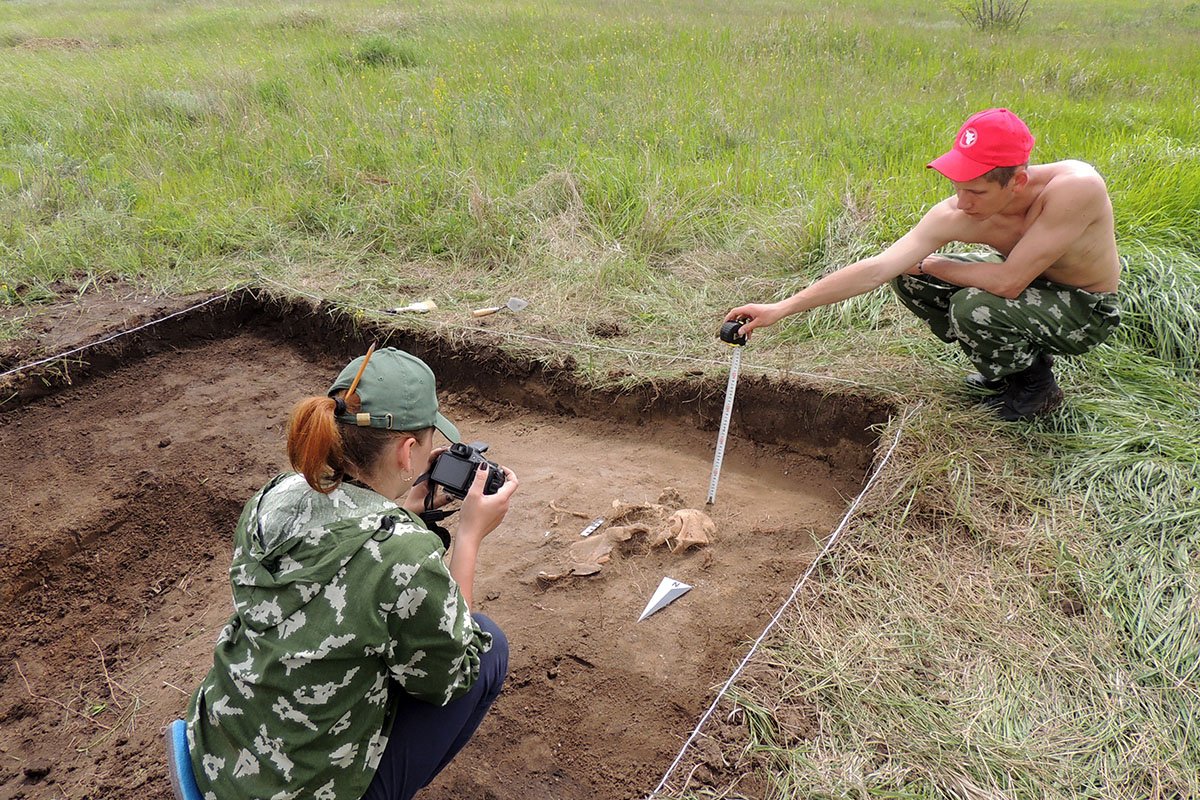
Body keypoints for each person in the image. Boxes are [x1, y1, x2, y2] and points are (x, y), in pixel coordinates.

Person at [182, 346, 519, 800]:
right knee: (488, 646)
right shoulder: (403, 552)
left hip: (214, 759)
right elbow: (452, 674)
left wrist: (401, 512)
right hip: (305, 790)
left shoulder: (275, 495)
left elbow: (344, 537)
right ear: (407, 452)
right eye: (428, 443)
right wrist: (469, 539)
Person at [726, 108, 1121, 421]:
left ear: (1016, 182)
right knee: (907, 276)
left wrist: (934, 265)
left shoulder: (1075, 188)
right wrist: (782, 308)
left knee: (971, 304)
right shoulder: (956, 212)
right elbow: (878, 268)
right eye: (957, 187)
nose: (962, 202)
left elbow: (1009, 282)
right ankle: (1008, 365)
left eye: (976, 191)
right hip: (1026, 289)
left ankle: (1036, 389)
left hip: (1084, 307)